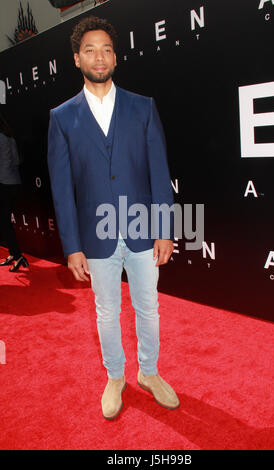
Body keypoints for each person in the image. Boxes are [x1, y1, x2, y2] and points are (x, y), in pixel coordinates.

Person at [47, 16, 179, 420]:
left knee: (148, 307)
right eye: (89, 49)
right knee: (106, 312)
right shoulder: (61, 117)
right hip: (95, 236)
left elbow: (159, 171)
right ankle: (116, 377)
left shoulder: (143, 107)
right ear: (76, 59)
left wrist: (165, 229)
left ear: (116, 57)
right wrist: (72, 247)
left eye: (105, 49)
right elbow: (62, 189)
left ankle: (150, 372)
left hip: (142, 227)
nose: (98, 56)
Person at [0, 114, 29, 272]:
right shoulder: (9, 137)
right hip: (14, 183)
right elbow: (17, 161)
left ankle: (17, 256)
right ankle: (13, 254)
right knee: (5, 222)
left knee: (5, 223)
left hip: (3, 185)